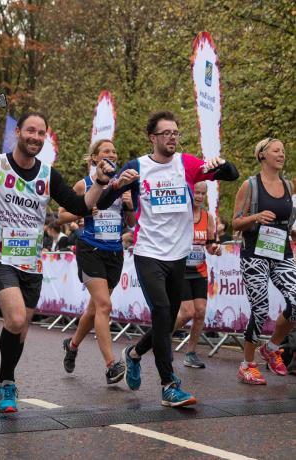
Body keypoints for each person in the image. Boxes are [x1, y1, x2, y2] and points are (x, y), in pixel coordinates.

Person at [0, 93, 127, 414]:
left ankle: (4, 383)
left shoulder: (48, 175)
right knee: (14, 317)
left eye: (41, 133)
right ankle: (7, 384)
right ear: (18, 133)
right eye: (30, 130)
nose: (35, 137)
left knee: (21, 327)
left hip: (30, 261)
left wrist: (99, 181)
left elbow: (78, 206)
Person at [97, 110, 238, 407]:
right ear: (153, 138)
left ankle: (134, 353)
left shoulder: (186, 164)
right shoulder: (137, 167)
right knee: (161, 310)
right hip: (148, 253)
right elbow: (101, 202)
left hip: (179, 256)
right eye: (166, 133)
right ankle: (169, 384)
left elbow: (232, 174)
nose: (172, 137)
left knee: (167, 319)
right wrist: (117, 184)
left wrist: (221, 165)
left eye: (176, 133)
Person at [59, 139, 136, 384]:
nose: (112, 154)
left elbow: (132, 223)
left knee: (94, 309)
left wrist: (130, 206)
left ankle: (72, 345)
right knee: (104, 306)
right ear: (94, 158)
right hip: (90, 249)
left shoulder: (123, 184)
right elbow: (61, 216)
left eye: (114, 151)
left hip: (114, 252)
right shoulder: (85, 184)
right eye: (106, 151)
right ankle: (111, 365)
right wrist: (82, 211)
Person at [232, 137, 296, 384]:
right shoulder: (250, 186)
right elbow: (236, 222)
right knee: (260, 309)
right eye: (276, 150)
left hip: (281, 251)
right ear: (262, 155)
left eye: (283, 151)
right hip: (254, 253)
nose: (282, 154)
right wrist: (255, 216)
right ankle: (247, 365)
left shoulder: (288, 186)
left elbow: (287, 223)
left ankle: (271, 347)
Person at [173, 182, 220, 369]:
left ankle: (190, 354)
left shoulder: (207, 217)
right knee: (187, 313)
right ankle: (161, 337)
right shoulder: (180, 215)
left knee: (200, 313)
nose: (199, 196)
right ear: (189, 193)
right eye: (196, 192)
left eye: (202, 193)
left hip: (199, 270)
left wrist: (214, 249)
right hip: (181, 270)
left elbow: (209, 244)